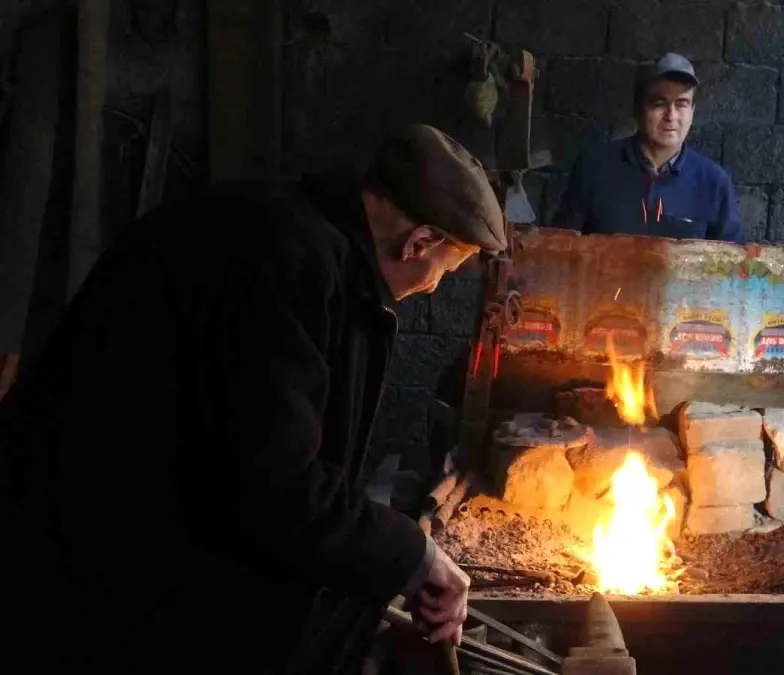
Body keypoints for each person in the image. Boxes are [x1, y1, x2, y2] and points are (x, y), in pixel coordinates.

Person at [0, 125, 498, 675]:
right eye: (443, 273)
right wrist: (416, 555)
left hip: (128, 521)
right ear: (419, 242)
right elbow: (274, 486)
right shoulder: (286, 263)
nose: (432, 287)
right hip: (87, 553)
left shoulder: (298, 236)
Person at [552, 52, 744, 244]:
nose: (671, 115)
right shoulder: (594, 168)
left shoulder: (714, 183)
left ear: (692, 112)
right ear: (638, 109)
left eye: (681, 104)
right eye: (659, 103)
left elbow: (733, 267)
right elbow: (558, 249)